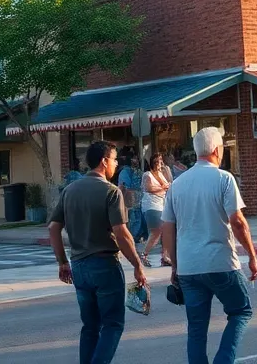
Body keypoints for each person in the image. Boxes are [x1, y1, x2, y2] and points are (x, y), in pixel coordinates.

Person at [162, 127, 257, 364]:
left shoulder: (177, 184)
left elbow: (167, 228)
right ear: (217, 150)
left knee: (196, 328)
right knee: (241, 311)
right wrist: (252, 255)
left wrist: (174, 265)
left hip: (188, 267)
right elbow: (238, 222)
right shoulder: (224, 179)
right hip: (220, 262)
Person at [48, 140, 149, 364]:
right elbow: (121, 233)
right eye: (114, 159)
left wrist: (62, 262)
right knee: (113, 324)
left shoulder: (70, 190)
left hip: (79, 266)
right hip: (104, 265)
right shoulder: (111, 191)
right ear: (104, 161)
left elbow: (53, 228)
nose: (116, 164)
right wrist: (137, 264)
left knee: (90, 326)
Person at [141, 151, 172, 266]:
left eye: (161, 161)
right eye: (158, 161)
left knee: (165, 231)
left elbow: (169, 184)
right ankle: (144, 254)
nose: (160, 163)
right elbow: (149, 188)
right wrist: (163, 187)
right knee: (156, 231)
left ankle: (165, 257)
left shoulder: (162, 174)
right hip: (152, 205)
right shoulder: (147, 175)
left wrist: (167, 171)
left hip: (162, 204)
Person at [119, 154, 146, 246]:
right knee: (134, 221)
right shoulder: (125, 171)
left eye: (137, 158)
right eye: (134, 158)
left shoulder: (136, 170)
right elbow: (124, 187)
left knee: (137, 220)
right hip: (131, 201)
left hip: (138, 200)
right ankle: (130, 241)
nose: (136, 160)